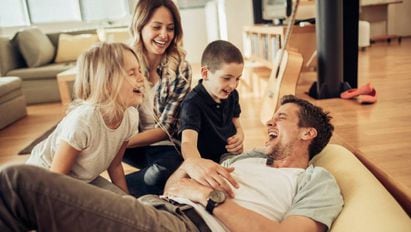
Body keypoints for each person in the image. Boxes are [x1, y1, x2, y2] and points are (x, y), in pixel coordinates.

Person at [0, 95, 343, 232]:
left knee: (18, 184)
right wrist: (188, 175)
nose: (269, 122)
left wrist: (209, 197)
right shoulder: (248, 157)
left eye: (280, 118)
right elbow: (174, 184)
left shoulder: (317, 179)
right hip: (158, 208)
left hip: (187, 226)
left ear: (307, 133)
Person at [25, 42, 145, 193]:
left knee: (126, 208)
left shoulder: (131, 117)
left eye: (140, 70)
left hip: (84, 180)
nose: (142, 77)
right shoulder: (83, 121)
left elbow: (114, 165)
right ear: (107, 83)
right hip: (42, 185)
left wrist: (128, 201)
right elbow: (55, 181)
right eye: (132, 73)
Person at [124, 0, 192, 196]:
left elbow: (166, 129)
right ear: (140, 26)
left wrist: (120, 143)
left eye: (170, 28)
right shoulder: (124, 62)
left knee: (161, 174)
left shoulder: (181, 67)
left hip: (162, 145)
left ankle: (101, 194)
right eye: (156, 27)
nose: (164, 35)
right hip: (129, 142)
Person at [178, 40, 245, 197]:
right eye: (227, 78)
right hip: (208, 163)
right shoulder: (192, 102)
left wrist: (240, 135)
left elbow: (237, 122)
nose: (233, 85)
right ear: (205, 73)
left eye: (238, 78)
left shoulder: (232, 94)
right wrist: (197, 166)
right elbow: (187, 142)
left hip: (229, 156)